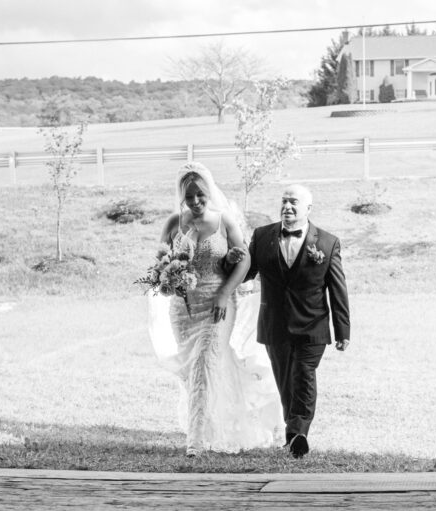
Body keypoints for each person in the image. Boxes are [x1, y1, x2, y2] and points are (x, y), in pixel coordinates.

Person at [149, 162, 282, 456]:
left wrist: (224, 291)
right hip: (183, 310)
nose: (195, 202)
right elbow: (160, 261)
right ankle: (210, 426)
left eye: (201, 196)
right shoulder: (174, 223)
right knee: (192, 370)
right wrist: (166, 277)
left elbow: (245, 261)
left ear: (209, 193)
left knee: (203, 365)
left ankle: (194, 442)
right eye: (189, 197)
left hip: (217, 305)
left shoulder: (225, 222)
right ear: (182, 197)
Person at [247, 183, 350, 458]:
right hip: (275, 324)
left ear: (308, 208)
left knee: (303, 376)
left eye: (293, 202)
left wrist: (343, 330)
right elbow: (246, 272)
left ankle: (298, 434)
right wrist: (228, 261)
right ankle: (293, 435)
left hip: (312, 325)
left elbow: (337, 287)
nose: (287, 206)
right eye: (284, 201)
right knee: (285, 382)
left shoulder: (328, 243)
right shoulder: (262, 236)